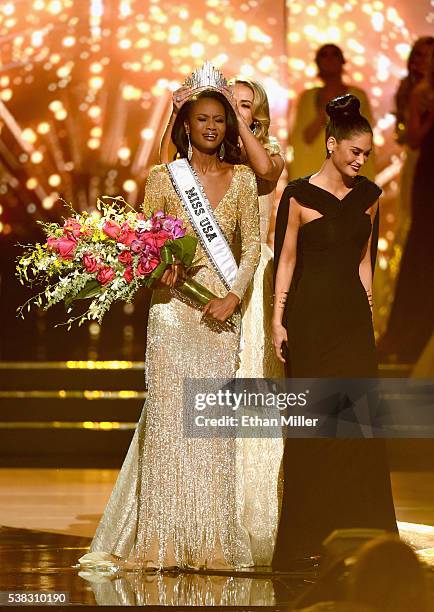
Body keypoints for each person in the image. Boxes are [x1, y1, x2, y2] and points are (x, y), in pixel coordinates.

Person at [79, 85, 261, 570]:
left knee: (211, 429)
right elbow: (147, 239)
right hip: (172, 314)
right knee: (166, 424)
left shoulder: (242, 179)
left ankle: (210, 542)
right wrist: (159, 268)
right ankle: (158, 540)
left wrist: (234, 296)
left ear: (228, 128)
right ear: (186, 124)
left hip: (219, 316)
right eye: (201, 119)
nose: (210, 127)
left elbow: (250, 248)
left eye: (219, 120)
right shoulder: (164, 177)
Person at [161, 77, 285, 565]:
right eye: (221, 106)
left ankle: (253, 511)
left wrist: (236, 116)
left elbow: (263, 179)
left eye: (241, 106)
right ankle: (182, 517)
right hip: (194, 292)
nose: (229, 113)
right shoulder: (195, 163)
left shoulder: (258, 157)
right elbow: (162, 189)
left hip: (246, 287)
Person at [271, 94, 397, 568]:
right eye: (355, 152)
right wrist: (278, 318)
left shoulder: (370, 197)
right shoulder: (299, 195)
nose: (362, 161)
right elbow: (285, 260)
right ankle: (307, 536)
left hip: (350, 321)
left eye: (367, 154)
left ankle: (362, 534)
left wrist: (368, 316)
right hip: (309, 318)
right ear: (331, 145)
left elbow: (365, 262)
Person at [378, 39, 434, 362]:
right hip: (424, 166)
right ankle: (406, 332)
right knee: (418, 243)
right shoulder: (419, 92)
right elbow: (410, 136)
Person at [289, 44, 375, 181]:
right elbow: (303, 139)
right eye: (324, 55)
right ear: (317, 62)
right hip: (313, 173)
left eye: (334, 54)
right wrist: (322, 111)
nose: (329, 59)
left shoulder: (358, 96)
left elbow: (365, 137)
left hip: (349, 176)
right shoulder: (306, 98)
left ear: (342, 61)